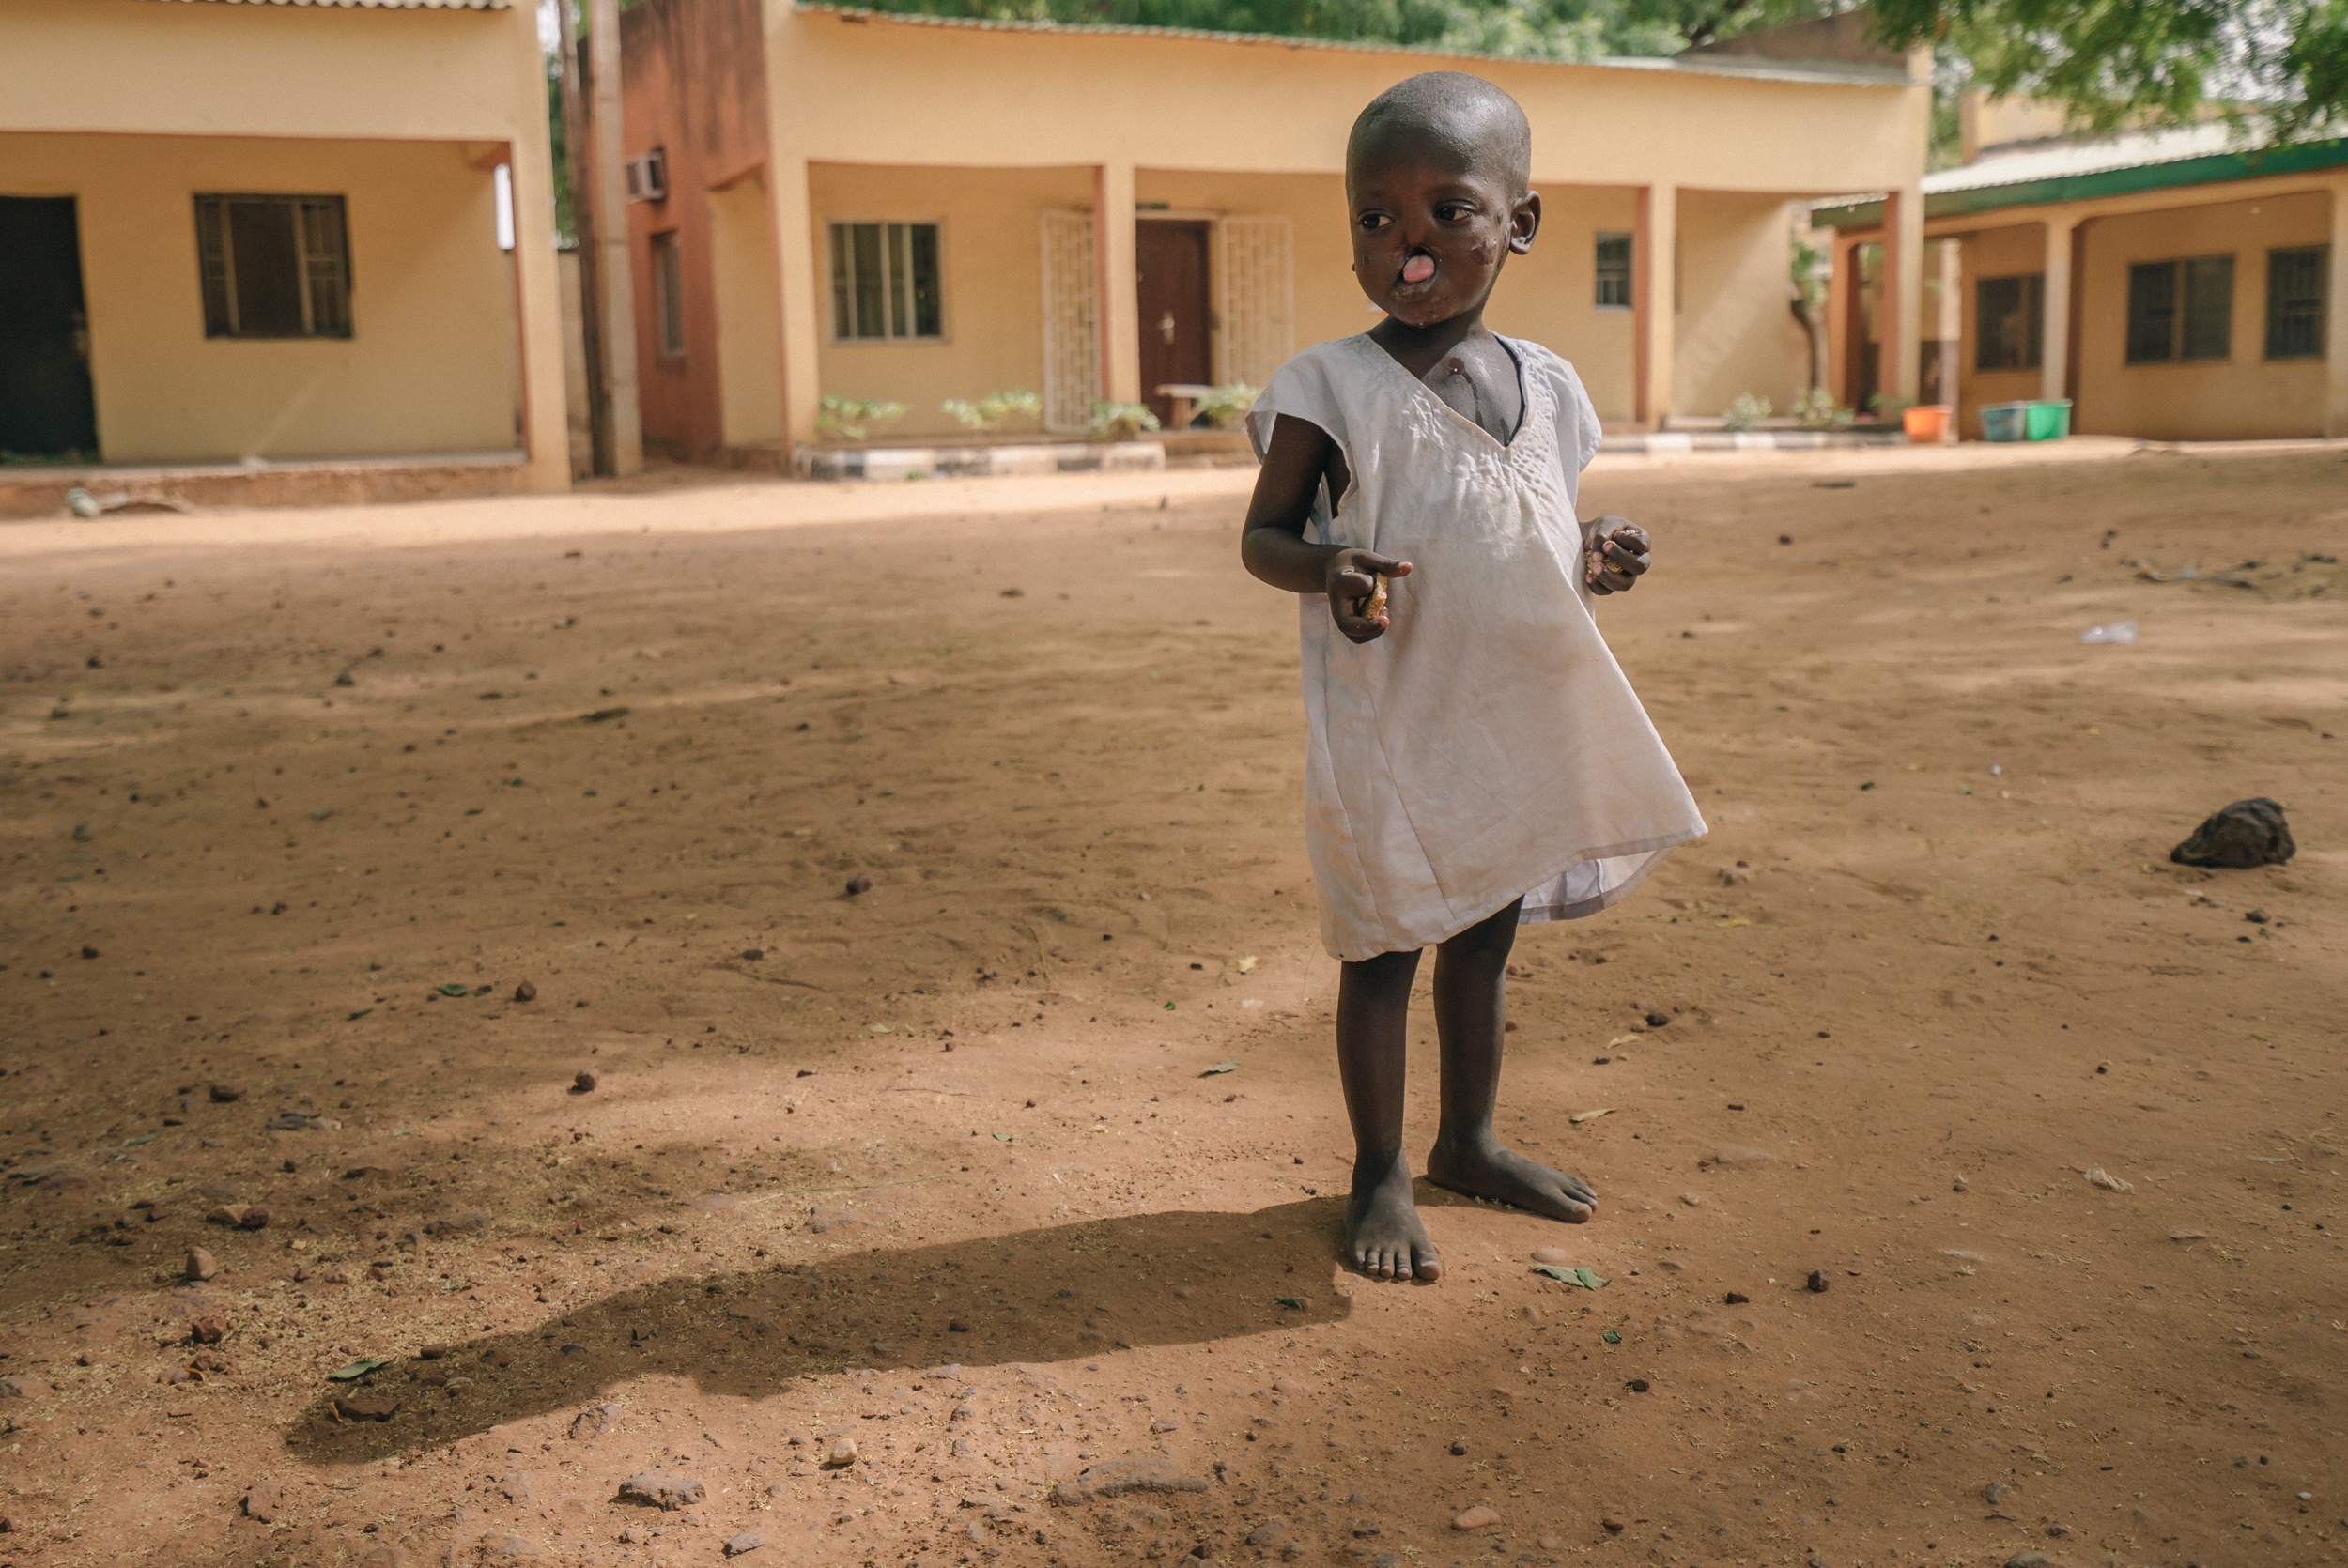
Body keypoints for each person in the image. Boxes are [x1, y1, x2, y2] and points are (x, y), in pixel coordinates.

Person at [1238, 70, 1706, 1283]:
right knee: (1385, 943)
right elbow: (1265, 536)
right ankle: (1379, 1170)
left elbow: (1535, 516)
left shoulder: (1548, 384)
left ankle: (1469, 1139)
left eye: (1449, 210)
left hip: (1506, 714)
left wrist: (1595, 549)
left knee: (1484, 941)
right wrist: (1330, 567)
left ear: (1520, 222)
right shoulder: (1327, 387)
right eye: (1374, 217)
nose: (1408, 246)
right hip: (1391, 720)